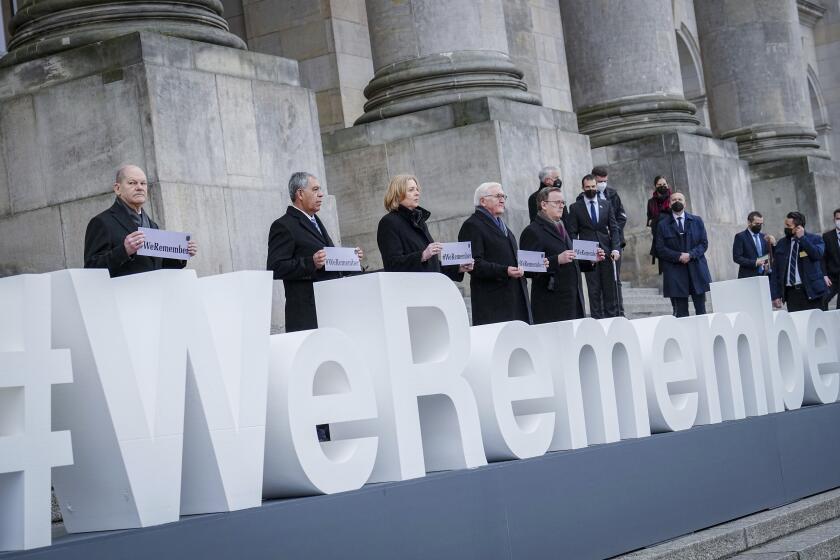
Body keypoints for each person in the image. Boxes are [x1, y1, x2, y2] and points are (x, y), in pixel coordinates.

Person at [267, 171, 364, 333]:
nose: (321, 195)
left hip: (331, 310)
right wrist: (310, 263)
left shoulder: (316, 221)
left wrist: (351, 259)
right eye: (315, 190)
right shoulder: (283, 226)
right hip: (308, 315)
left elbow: (328, 263)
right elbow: (275, 267)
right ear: (300, 194)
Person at [84, 164, 197, 277]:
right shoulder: (101, 222)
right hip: (123, 293)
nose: (139, 187)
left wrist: (181, 254)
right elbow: (91, 268)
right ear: (118, 189)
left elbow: (159, 266)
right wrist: (124, 251)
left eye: (143, 183)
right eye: (132, 183)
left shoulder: (152, 225)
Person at [520, 187, 605, 323]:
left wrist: (591, 261)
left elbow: (569, 259)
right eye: (557, 202)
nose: (561, 206)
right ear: (543, 205)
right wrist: (556, 260)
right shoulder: (532, 231)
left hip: (573, 300)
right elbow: (528, 269)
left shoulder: (562, 226)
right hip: (552, 306)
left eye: (563, 202)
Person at [458, 182, 535, 326]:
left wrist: (531, 264)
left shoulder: (503, 226)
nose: (502, 199)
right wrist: (504, 271)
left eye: (503, 196)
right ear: (483, 201)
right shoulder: (472, 225)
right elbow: (474, 264)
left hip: (515, 299)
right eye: (498, 196)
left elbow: (510, 258)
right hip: (493, 304)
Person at [376, 174, 473, 277]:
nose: (417, 193)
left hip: (431, 287)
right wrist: (422, 255)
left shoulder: (419, 221)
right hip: (411, 290)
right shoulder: (389, 222)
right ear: (397, 194)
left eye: (417, 189)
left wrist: (458, 268)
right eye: (411, 190)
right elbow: (392, 265)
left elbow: (431, 265)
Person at [566, 174, 621, 319]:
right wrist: (579, 253)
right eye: (587, 187)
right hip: (588, 255)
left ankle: (612, 319)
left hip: (607, 253)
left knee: (610, 290)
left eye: (593, 187)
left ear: (596, 187)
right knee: (594, 290)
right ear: (583, 188)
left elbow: (614, 228)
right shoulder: (575, 207)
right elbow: (572, 233)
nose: (591, 189)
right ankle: (597, 320)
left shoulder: (606, 205)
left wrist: (616, 248)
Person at [655, 192, 712, 317]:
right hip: (675, 272)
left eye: (680, 199)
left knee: (701, 310)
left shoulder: (697, 221)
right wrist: (678, 256)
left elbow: (704, 243)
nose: (677, 201)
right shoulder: (662, 224)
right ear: (669, 204)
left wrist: (690, 255)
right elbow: (660, 248)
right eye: (674, 199)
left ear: (685, 203)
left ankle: (703, 334)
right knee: (681, 313)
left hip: (696, 268)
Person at [770, 211, 826, 312]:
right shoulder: (782, 243)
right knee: (797, 325)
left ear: (798, 227)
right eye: (785, 224)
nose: (786, 228)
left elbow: (817, 255)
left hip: (811, 291)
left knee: (815, 324)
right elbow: (776, 271)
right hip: (791, 294)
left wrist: (803, 238)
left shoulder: (815, 239)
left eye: (789, 225)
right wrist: (775, 295)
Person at [732, 211, 776, 279]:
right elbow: (737, 257)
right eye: (757, 224)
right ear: (749, 222)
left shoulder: (764, 236)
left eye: (761, 224)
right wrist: (754, 262)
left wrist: (773, 244)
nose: (759, 226)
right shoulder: (740, 237)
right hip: (748, 276)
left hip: (765, 275)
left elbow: (770, 255)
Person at [646, 175, 671, 272]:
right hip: (659, 237)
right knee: (664, 268)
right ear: (655, 186)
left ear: (667, 185)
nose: (662, 186)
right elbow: (649, 218)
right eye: (659, 184)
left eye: (664, 184)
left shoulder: (672, 199)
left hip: (672, 236)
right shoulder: (651, 202)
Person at [822, 208, 840, 310]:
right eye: (838, 218)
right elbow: (823, 258)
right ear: (834, 220)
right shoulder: (827, 236)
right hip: (832, 277)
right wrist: (824, 275)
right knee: (823, 300)